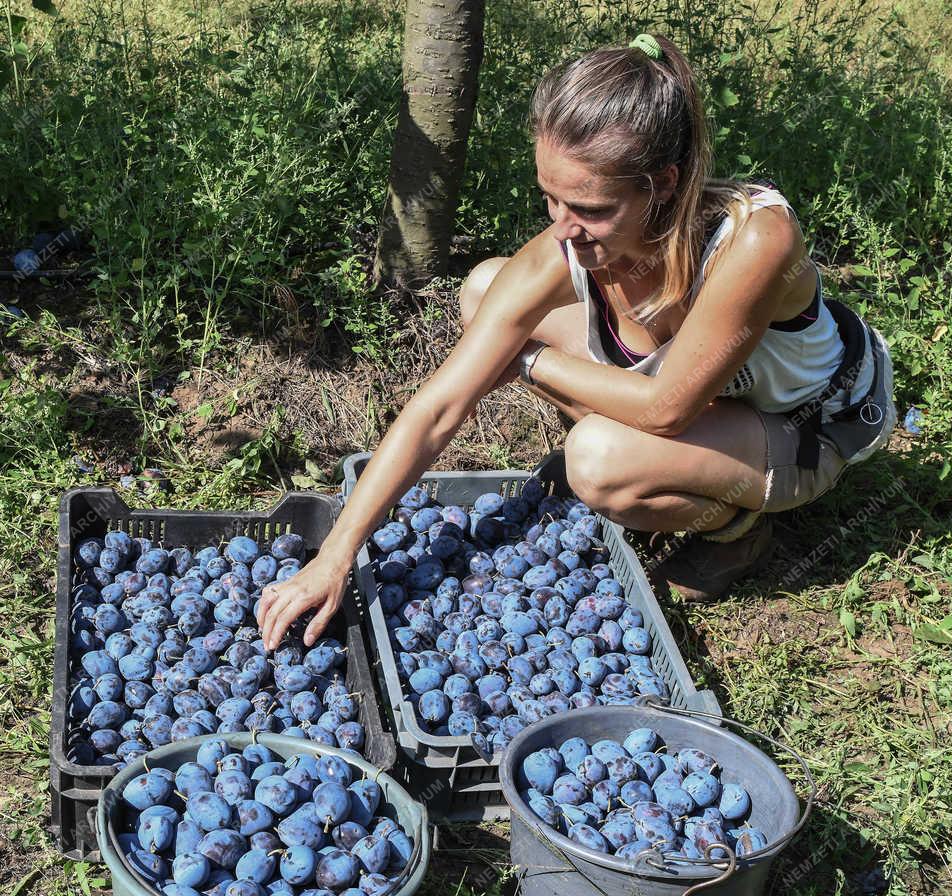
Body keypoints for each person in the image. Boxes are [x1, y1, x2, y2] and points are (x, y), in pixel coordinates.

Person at [257, 33, 897, 652]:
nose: (565, 230)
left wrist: (531, 362)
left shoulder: (753, 242)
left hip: (804, 426)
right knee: (487, 289)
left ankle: (736, 528)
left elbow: (667, 409)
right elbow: (438, 407)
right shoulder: (567, 246)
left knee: (592, 459)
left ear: (665, 184)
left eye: (591, 210)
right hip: (698, 407)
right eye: (550, 200)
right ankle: (657, 475)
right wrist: (337, 553)